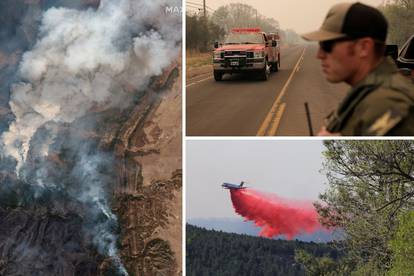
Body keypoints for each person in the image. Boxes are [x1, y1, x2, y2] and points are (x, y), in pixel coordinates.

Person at [302, 2, 414, 136]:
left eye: (327, 45)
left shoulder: (387, 102)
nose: (319, 55)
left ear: (364, 47)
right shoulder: (368, 91)